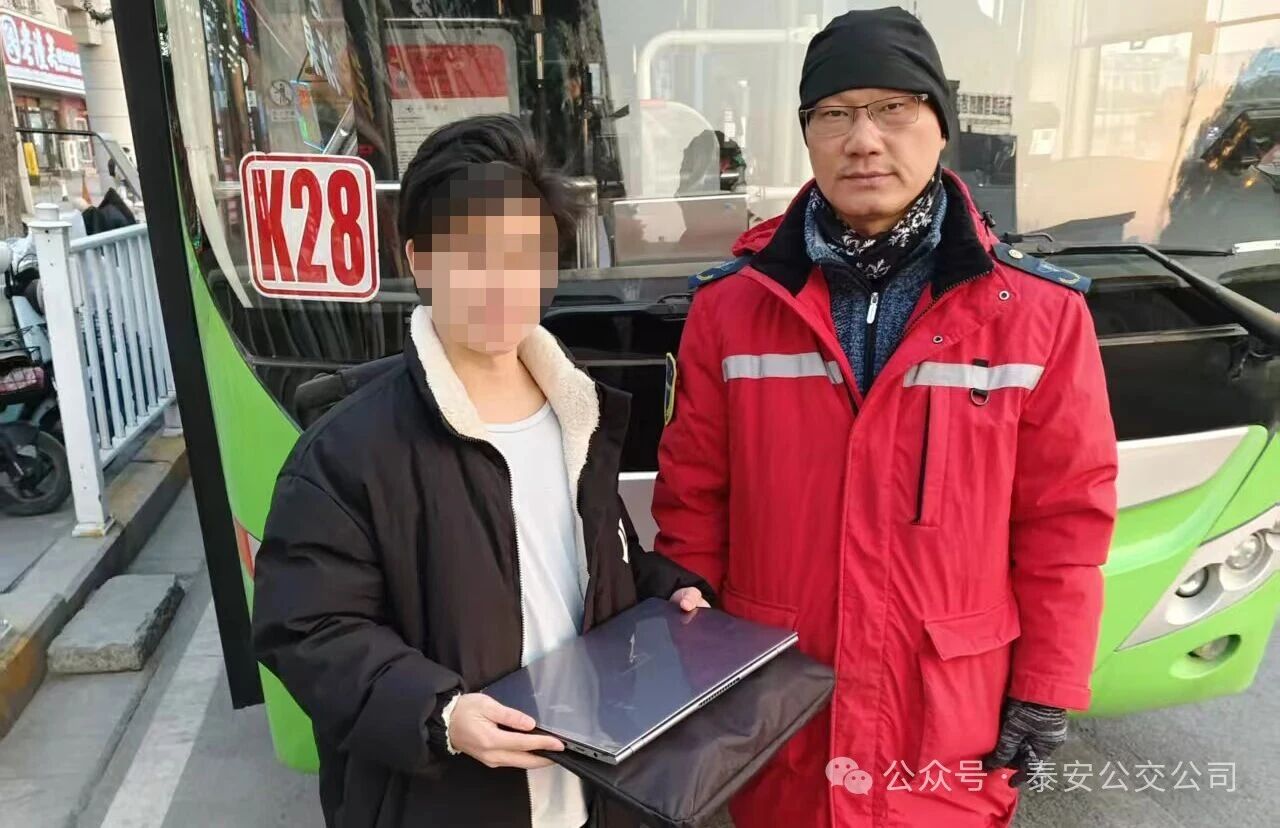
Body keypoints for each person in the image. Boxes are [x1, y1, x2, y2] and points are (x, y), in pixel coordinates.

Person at [653, 9, 1117, 828]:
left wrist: (1047, 683)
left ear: (942, 126)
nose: (863, 139)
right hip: (779, 700)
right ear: (807, 135)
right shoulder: (730, 311)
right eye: (834, 114)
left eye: (894, 109)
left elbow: (1065, 524)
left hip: (946, 715)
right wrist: (691, 637)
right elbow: (693, 497)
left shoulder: (1038, 315)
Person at [252, 113, 711, 828]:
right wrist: (439, 713)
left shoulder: (579, 413)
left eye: (526, 253)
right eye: (471, 252)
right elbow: (307, 626)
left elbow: (586, 571)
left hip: (596, 790)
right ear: (419, 260)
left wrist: (664, 590)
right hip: (446, 800)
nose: (502, 282)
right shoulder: (346, 450)